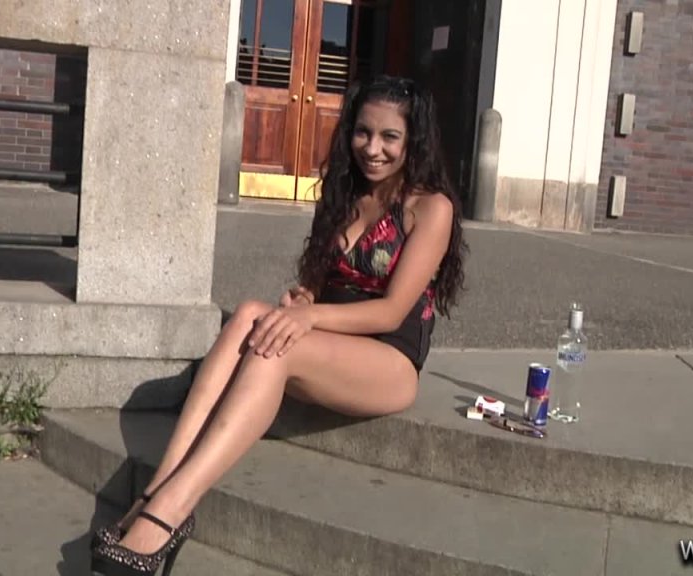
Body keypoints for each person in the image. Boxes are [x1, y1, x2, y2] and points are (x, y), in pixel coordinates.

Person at [89, 75, 467, 575]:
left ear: (413, 139)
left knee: (276, 348)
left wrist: (308, 315)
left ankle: (168, 513)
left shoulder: (430, 208)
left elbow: (391, 312)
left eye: (389, 137)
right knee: (250, 313)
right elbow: (317, 281)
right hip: (333, 343)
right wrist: (305, 298)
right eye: (363, 132)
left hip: (389, 361)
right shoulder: (345, 191)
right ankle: (159, 489)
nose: (372, 149)